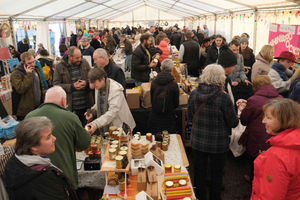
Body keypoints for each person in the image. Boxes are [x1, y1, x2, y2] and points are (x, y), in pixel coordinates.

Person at [187, 64, 239, 200]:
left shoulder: (194, 94)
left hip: (198, 140)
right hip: (218, 143)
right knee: (217, 174)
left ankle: (199, 196)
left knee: (199, 172)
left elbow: (189, 116)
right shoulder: (223, 97)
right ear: (221, 78)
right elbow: (233, 123)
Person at [26, 86, 91, 189]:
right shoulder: (70, 117)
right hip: (63, 179)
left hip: (35, 181)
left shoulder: (29, 117)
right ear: (64, 101)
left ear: (45, 100)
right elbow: (84, 144)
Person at [3, 117, 78, 200]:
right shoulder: (44, 179)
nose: (54, 138)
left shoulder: (14, 162)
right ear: (33, 146)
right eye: (48, 137)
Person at [251, 98, 300, 200]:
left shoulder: (277, 157)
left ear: (284, 121)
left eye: (268, 118)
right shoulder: (295, 143)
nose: (263, 121)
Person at [240, 75, 282, 181]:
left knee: (255, 160)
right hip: (274, 136)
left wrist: (242, 109)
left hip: (256, 137)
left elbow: (244, 120)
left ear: (255, 87)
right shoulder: (281, 99)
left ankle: (253, 180)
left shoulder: (253, 100)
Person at [85, 68, 135, 135]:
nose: (93, 86)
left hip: (120, 126)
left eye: (94, 83)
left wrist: (95, 124)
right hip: (106, 126)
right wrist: (92, 112)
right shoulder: (99, 87)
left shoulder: (115, 89)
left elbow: (112, 112)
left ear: (102, 79)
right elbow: (99, 104)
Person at [53, 46, 93, 125]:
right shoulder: (59, 67)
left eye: (80, 57)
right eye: (77, 58)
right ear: (70, 57)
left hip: (86, 106)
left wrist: (86, 83)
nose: (80, 59)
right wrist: (72, 87)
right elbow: (56, 85)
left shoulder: (84, 63)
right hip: (70, 108)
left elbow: (92, 78)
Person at [147, 59, 179, 134]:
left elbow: (152, 100)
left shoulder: (154, 82)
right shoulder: (173, 84)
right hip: (168, 118)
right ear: (171, 69)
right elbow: (176, 104)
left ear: (161, 68)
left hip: (154, 117)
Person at [11, 52, 45, 120]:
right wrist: (28, 75)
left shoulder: (36, 70)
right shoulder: (16, 74)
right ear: (23, 63)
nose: (32, 64)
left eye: (33, 62)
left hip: (38, 107)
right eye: (29, 63)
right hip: (25, 112)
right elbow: (20, 89)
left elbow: (40, 87)